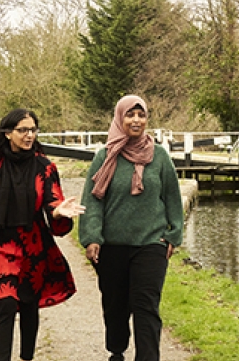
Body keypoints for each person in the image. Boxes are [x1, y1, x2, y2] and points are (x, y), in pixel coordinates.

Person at [0, 108, 85, 361]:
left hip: (33, 245)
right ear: (7, 133)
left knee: (28, 304)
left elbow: (52, 201)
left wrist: (58, 212)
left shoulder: (45, 167)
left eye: (33, 130)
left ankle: (27, 357)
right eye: (22, 130)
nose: (29, 135)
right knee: (3, 304)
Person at [78, 95, 184, 361]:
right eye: (130, 115)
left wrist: (173, 234)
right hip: (112, 246)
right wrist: (92, 237)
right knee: (115, 307)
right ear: (119, 118)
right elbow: (92, 200)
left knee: (146, 306)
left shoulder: (159, 157)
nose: (136, 120)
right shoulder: (105, 156)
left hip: (151, 244)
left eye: (141, 115)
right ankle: (117, 350)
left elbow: (172, 197)